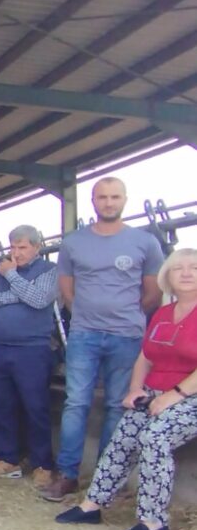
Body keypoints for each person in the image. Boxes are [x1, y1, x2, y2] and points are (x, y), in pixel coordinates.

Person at [55, 248, 197, 530]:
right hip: (156, 391)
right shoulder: (163, 312)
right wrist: (135, 388)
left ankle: (154, 521)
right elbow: (145, 356)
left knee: (154, 437)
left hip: (190, 395)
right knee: (123, 436)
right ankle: (92, 504)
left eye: (193, 267)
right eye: (178, 268)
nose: (185, 273)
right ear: (167, 276)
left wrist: (173, 395)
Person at [43, 177, 165, 502]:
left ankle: (106, 475)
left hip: (127, 336)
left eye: (114, 197)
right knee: (76, 402)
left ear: (125, 199)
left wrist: (126, 314)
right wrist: (85, 313)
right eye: (102, 197)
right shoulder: (73, 242)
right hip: (84, 334)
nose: (108, 203)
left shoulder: (144, 242)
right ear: (93, 201)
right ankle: (67, 474)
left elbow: (153, 292)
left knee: (116, 405)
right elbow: (66, 289)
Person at [0, 226, 59, 486]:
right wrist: (17, 294)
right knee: (1, 404)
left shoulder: (49, 270)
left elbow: (38, 299)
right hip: (0, 346)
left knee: (35, 406)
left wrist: (11, 276)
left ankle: (43, 463)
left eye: (22, 247)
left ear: (37, 246)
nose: (16, 253)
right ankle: (7, 457)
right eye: (13, 247)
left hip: (32, 349)